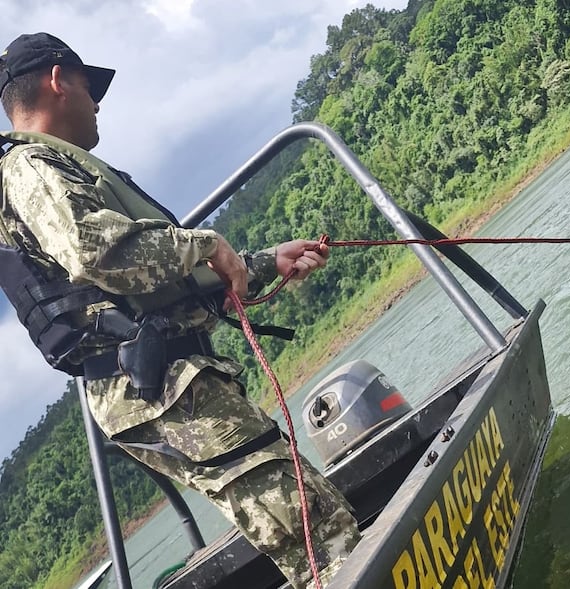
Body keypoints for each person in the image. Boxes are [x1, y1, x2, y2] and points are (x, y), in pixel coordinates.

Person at [0, 33, 359, 587]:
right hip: (162, 387)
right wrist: (209, 243)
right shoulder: (31, 168)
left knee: (310, 519)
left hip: (169, 381)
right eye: (89, 86)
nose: (98, 102)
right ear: (56, 80)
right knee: (318, 532)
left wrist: (265, 262)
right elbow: (96, 252)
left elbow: (160, 284)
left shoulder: (60, 169)